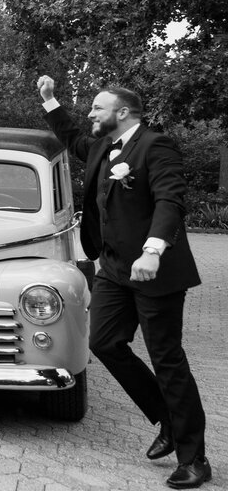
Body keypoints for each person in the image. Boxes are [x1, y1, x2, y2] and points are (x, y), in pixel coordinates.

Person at [37, 75, 210, 489]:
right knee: (104, 344)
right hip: (114, 269)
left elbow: (171, 198)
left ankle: (194, 458)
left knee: (166, 358)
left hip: (156, 272)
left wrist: (153, 250)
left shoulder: (156, 145)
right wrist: (49, 101)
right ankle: (166, 416)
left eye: (98, 107)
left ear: (123, 112)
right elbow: (72, 136)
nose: (91, 113)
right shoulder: (101, 146)